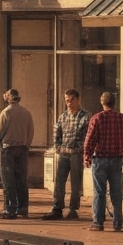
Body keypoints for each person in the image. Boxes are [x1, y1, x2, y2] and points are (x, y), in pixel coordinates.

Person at [84, 91, 123, 232]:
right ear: (114, 102)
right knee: (116, 192)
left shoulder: (97, 118)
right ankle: (118, 223)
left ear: (102, 102)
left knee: (99, 192)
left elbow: (89, 140)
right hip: (117, 160)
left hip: (100, 159)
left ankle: (98, 223)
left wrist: (87, 157)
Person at [43, 89, 89, 220]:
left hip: (76, 154)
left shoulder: (85, 116)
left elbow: (87, 135)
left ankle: (73, 209)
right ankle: (57, 207)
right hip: (64, 153)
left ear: (78, 99)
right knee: (59, 181)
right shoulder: (63, 116)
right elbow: (57, 132)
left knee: (75, 182)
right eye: (67, 100)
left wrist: (81, 149)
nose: (69, 103)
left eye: (72, 100)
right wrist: (58, 147)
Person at [0, 88, 34, 219]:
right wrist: (26, 144)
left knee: (8, 179)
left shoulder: (6, 113)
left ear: (8, 98)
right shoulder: (27, 113)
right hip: (22, 149)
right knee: (21, 179)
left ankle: (10, 207)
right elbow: (31, 132)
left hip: (8, 148)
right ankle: (23, 207)